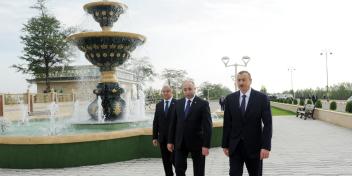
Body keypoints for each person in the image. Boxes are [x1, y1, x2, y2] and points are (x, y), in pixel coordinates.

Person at [222, 71, 272, 176]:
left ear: (250, 81)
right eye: (238, 80)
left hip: (255, 148)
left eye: (243, 80)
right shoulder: (230, 99)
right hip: (235, 147)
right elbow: (227, 124)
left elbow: (268, 124)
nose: (241, 83)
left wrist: (266, 147)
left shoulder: (262, 98)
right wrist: (225, 145)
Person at [167, 80, 212, 176]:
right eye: (185, 89)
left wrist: (206, 145)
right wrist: (170, 141)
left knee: (199, 170)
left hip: (197, 143)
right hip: (180, 142)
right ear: (182, 91)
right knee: (178, 168)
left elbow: (207, 126)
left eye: (190, 89)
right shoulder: (178, 103)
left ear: (195, 89)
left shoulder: (203, 104)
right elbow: (173, 124)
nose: (188, 91)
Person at [153, 85, 177, 176]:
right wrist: (155, 137)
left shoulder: (178, 103)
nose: (165, 93)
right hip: (162, 139)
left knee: (176, 162)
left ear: (172, 92)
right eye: (164, 91)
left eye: (167, 91)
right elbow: (156, 122)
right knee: (166, 162)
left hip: (174, 139)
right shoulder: (159, 105)